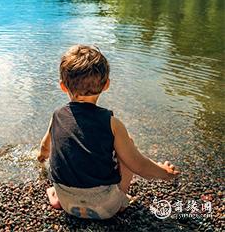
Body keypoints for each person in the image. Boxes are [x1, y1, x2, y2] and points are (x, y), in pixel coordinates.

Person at [37, 45, 180, 219]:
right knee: (128, 143)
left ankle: (56, 196)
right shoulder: (112, 123)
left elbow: (45, 147)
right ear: (106, 85)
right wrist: (165, 173)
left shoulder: (57, 116)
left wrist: (41, 159)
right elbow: (139, 166)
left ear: (63, 86)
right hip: (106, 208)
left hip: (67, 203)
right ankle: (122, 198)